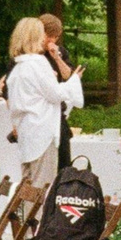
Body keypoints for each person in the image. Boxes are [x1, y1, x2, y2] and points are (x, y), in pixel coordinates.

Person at [3, 16, 82, 188]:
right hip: (42, 131)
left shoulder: (20, 65)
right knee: (43, 185)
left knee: (28, 183)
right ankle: (38, 215)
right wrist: (75, 81)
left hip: (26, 130)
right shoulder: (38, 63)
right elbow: (55, 94)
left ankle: (25, 214)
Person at [40, 11, 76, 165]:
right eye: (50, 36)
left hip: (57, 112)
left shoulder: (60, 52)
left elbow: (69, 76)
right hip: (39, 112)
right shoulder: (30, 54)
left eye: (56, 37)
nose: (52, 40)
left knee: (63, 160)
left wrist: (57, 57)